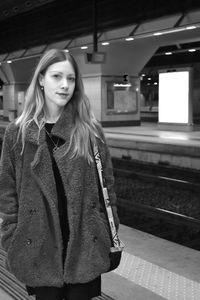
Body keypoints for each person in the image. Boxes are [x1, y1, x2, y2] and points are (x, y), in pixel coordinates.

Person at [0, 49, 120, 300]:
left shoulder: (89, 130)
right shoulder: (18, 132)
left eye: (71, 78)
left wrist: (109, 230)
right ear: (41, 80)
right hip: (38, 243)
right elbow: (6, 190)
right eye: (56, 76)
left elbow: (106, 187)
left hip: (84, 242)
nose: (65, 85)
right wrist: (12, 236)